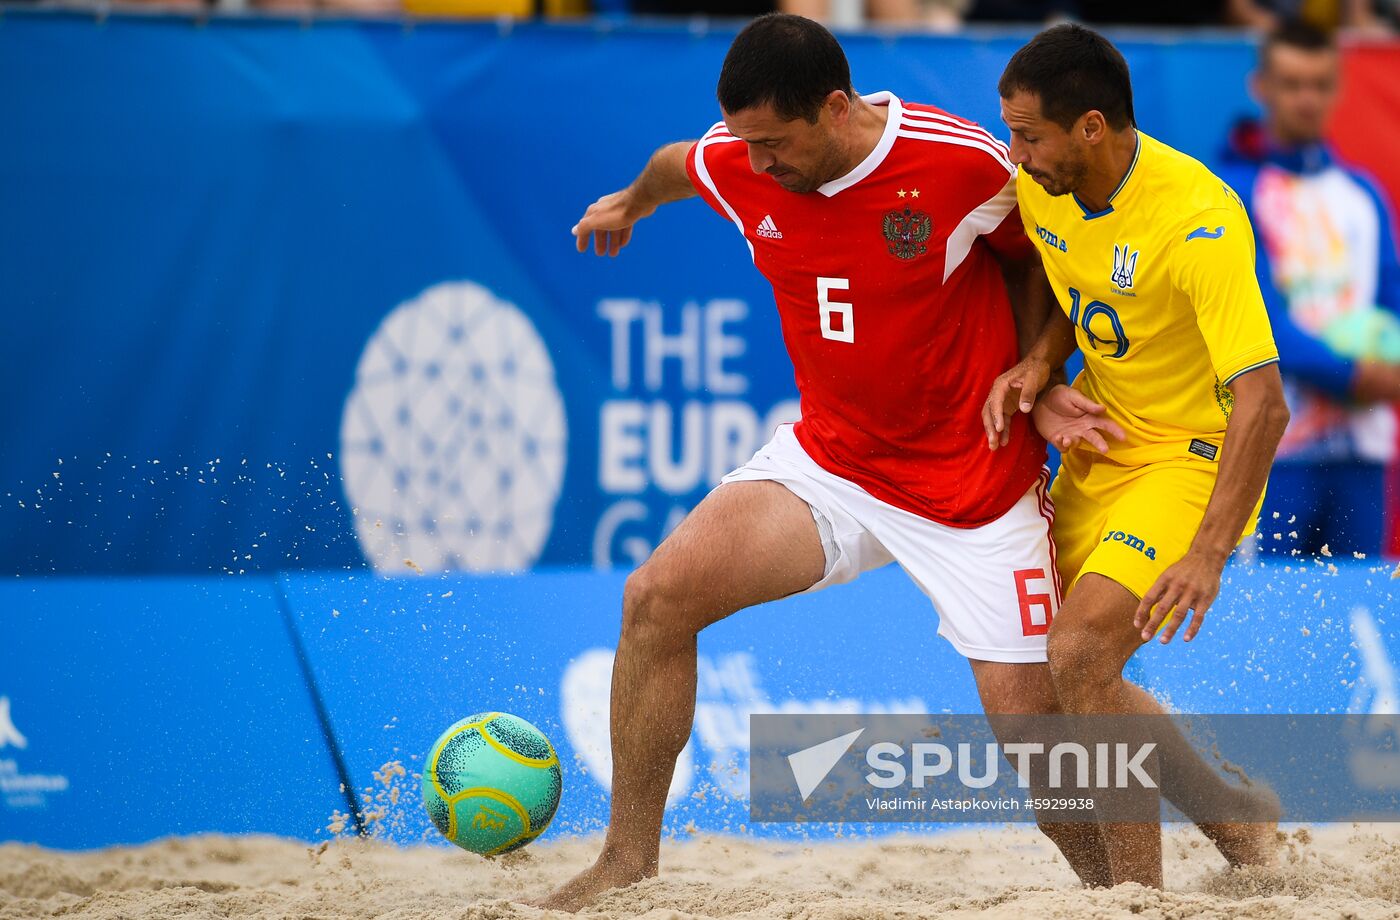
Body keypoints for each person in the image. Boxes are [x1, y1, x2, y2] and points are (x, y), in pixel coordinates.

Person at [533, 13, 1121, 912]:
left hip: (975, 490)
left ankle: (1128, 889)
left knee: (1048, 770)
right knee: (655, 598)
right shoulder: (739, 158)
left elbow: (1050, 265)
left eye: (775, 144)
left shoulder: (961, 163)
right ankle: (625, 862)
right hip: (832, 464)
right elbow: (675, 162)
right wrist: (631, 202)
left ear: (836, 107)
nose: (758, 165)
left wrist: (1039, 372)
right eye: (744, 143)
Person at [984, 23, 1291, 888]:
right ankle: (1236, 819)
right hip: (1097, 447)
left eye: (1029, 134)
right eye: (1010, 132)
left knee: (1081, 655)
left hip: (1191, 458)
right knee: (1052, 707)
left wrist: (1206, 553)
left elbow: (1265, 406)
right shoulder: (1044, 181)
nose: (1016, 153)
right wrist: (1044, 366)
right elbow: (1050, 269)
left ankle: (1134, 901)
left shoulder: (1198, 218)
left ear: (1091, 127)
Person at [1216, 21, 1400, 559]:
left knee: (1356, 619)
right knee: (1267, 620)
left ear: (1337, 88)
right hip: (1272, 446)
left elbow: (1389, 303)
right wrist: (1353, 375)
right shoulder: (1235, 191)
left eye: (1319, 84)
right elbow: (1256, 315)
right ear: (1261, 87)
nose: (1306, 98)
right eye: (1292, 83)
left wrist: (1386, 368)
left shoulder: (1363, 193)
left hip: (1363, 446)